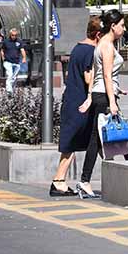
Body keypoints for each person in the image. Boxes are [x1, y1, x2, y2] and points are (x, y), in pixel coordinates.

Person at [49, 17, 103, 197]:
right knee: (71, 142)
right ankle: (58, 180)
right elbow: (88, 77)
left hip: (71, 98)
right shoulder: (90, 51)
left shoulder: (78, 48)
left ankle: (60, 180)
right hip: (80, 101)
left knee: (75, 141)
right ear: (97, 35)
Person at [76, 8, 126, 199]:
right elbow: (105, 74)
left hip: (101, 94)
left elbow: (98, 75)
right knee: (115, 138)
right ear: (113, 26)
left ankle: (87, 180)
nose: (124, 29)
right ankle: (85, 180)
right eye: (121, 25)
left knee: (104, 139)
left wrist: (92, 97)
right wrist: (112, 101)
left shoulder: (101, 44)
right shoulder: (107, 46)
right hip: (105, 97)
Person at [0, 27, 27, 93]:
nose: (14, 36)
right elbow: (2, 50)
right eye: (12, 35)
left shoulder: (19, 42)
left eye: (15, 35)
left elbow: (22, 50)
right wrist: (3, 58)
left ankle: (12, 90)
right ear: (10, 35)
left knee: (14, 77)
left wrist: (24, 58)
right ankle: (9, 90)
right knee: (10, 75)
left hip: (16, 62)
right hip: (8, 61)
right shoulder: (6, 42)